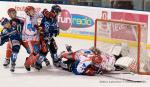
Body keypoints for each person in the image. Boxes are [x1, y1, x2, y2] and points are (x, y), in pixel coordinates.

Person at [35, 4, 61, 70]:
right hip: (43, 36)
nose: (59, 14)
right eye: (58, 12)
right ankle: (38, 63)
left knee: (54, 48)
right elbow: (45, 11)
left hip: (49, 36)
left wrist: (56, 30)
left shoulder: (55, 18)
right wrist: (46, 12)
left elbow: (54, 26)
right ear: (55, 11)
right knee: (44, 51)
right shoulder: (48, 15)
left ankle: (55, 61)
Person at [22, 6, 47, 71]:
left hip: (36, 37)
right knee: (35, 51)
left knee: (38, 50)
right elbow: (31, 31)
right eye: (31, 11)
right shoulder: (28, 20)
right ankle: (27, 63)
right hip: (29, 38)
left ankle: (32, 61)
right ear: (27, 12)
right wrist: (38, 29)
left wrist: (45, 12)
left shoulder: (34, 14)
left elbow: (41, 14)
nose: (33, 11)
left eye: (33, 10)